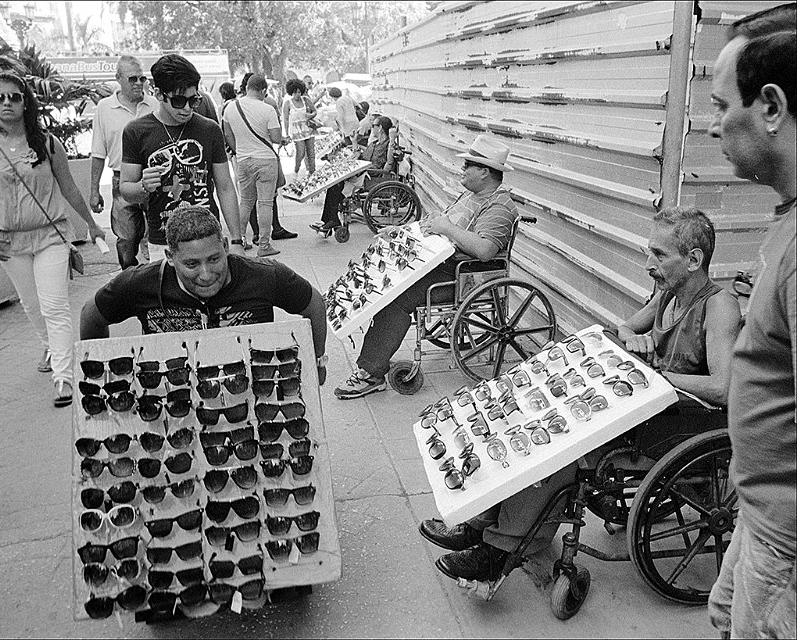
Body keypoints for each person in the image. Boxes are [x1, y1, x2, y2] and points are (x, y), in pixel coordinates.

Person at [420, 205, 742, 583]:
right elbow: (622, 328)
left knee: (562, 449)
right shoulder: (668, 295)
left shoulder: (719, 306)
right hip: (642, 407)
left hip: (672, 425)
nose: (647, 263)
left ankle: (499, 549)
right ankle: (482, 523)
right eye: (649, 251)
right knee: (529, 417)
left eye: (659, 254)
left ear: (694, 260)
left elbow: (722, 388)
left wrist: (658, 374)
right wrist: (632, 338)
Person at [705, 17, 796, 639]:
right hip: (761, 510)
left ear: (771, 108)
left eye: (720, 106)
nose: (712, 125)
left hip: (784, 540)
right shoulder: (786, 217)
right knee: (722, 613)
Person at [334, 134, 518, 399]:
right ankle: (374, 359)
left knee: (394, 299)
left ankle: (371, 373)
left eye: (468, 165)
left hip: (460, 274)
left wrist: (447, 228)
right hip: (440, 263)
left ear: (486, 173)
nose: (462, 169)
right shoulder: (471, 196)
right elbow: (438, 224)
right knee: (380, 277)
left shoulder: (499, 206)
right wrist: (400, 231)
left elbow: (486, 250)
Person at [79, 205, 328, 384]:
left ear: (226, 247)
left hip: (251, 391)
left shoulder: (266, 275)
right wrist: (99, 378)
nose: (206, 274)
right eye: (191, 264)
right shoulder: (138, 283)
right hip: (171, 395)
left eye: (214, 259)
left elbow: (314, 305)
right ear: (170, 257)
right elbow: (92, 316)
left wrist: (318, 359)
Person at [0, 72, 106, 406]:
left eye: (14, 97)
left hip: (51, 236)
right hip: (9, 243)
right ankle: (49, 346)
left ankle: (64, 377)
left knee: (55, 305)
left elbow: (69, 188)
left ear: (25, 101)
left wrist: (93, 225)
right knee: (32, 305)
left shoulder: (46, 143)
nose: (6, 103)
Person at [120, 54, 244, 264]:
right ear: (158, 94)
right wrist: (143, 186)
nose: (187, 108)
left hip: (209, 240)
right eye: (178, 101)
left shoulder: (209, 129)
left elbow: (225, 186)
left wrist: (237, 240)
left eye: (194, 100)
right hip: (163, 244)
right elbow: (126, 190)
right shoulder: (136, 131)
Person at [89, 55, 158, 270]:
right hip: (121, 182)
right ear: (118, 78)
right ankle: (129, 279)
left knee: (158, 236)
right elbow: (98, 153)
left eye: (142, 78)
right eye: (132, 79)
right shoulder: (104, 109)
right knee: (127, 239)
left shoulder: (154, 105)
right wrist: (94, 190)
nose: (139, 84)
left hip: (153, 178)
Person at [222, 73, 283, 258]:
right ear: (264, 90)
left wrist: (239, 150)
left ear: (247, 87)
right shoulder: (268, 109)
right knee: (265, 203)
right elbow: (276, 138)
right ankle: (264, 245)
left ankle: (239, 240)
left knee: (246, 202)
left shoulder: (230, 108)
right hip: (265, 160)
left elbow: (228, 135)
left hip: (243, 160)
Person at [310, 115, 396, 235]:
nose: (372, 129)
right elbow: (361, 157)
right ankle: (329, 221)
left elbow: (389, 162)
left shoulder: (387, 145)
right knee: (333, 184)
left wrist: (392, 140)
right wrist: (354, 142)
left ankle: (332, 221)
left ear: (380, 128)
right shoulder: (374, 143)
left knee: (337, 186)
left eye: (373, 126)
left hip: (372, 177)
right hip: (361, 172)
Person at [282, 78, 316, 177]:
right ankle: (296, 170)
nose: (297, 94)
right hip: (297, 131)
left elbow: (315, 111)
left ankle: (312, 173)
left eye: (299, 92)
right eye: (295, 92)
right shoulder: (288, 103)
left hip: (308, 129)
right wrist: (287, 134)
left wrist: (311, 115)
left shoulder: (306, 100)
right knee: (300, 153)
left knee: (311, 153)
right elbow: (286, 119)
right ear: (291, 92)